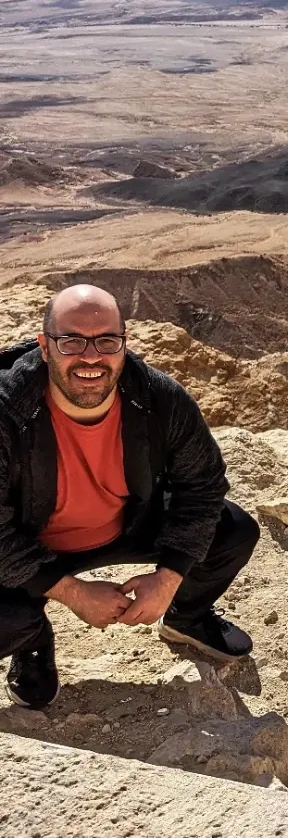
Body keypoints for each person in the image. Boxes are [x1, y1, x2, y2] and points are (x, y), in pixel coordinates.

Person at [0, 284, 259, 709]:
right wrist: (72, 592)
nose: (90, 357)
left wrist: (169, 578)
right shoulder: (6, 409)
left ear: (124, 344)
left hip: (126, 526)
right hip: (30, 545)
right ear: (44, 347)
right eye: (71, 341)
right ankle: (31, 637)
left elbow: (203, 484)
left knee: (233, 531)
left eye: (106, 341)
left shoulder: (157, 397)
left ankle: (186, 618)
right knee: (7, 619)